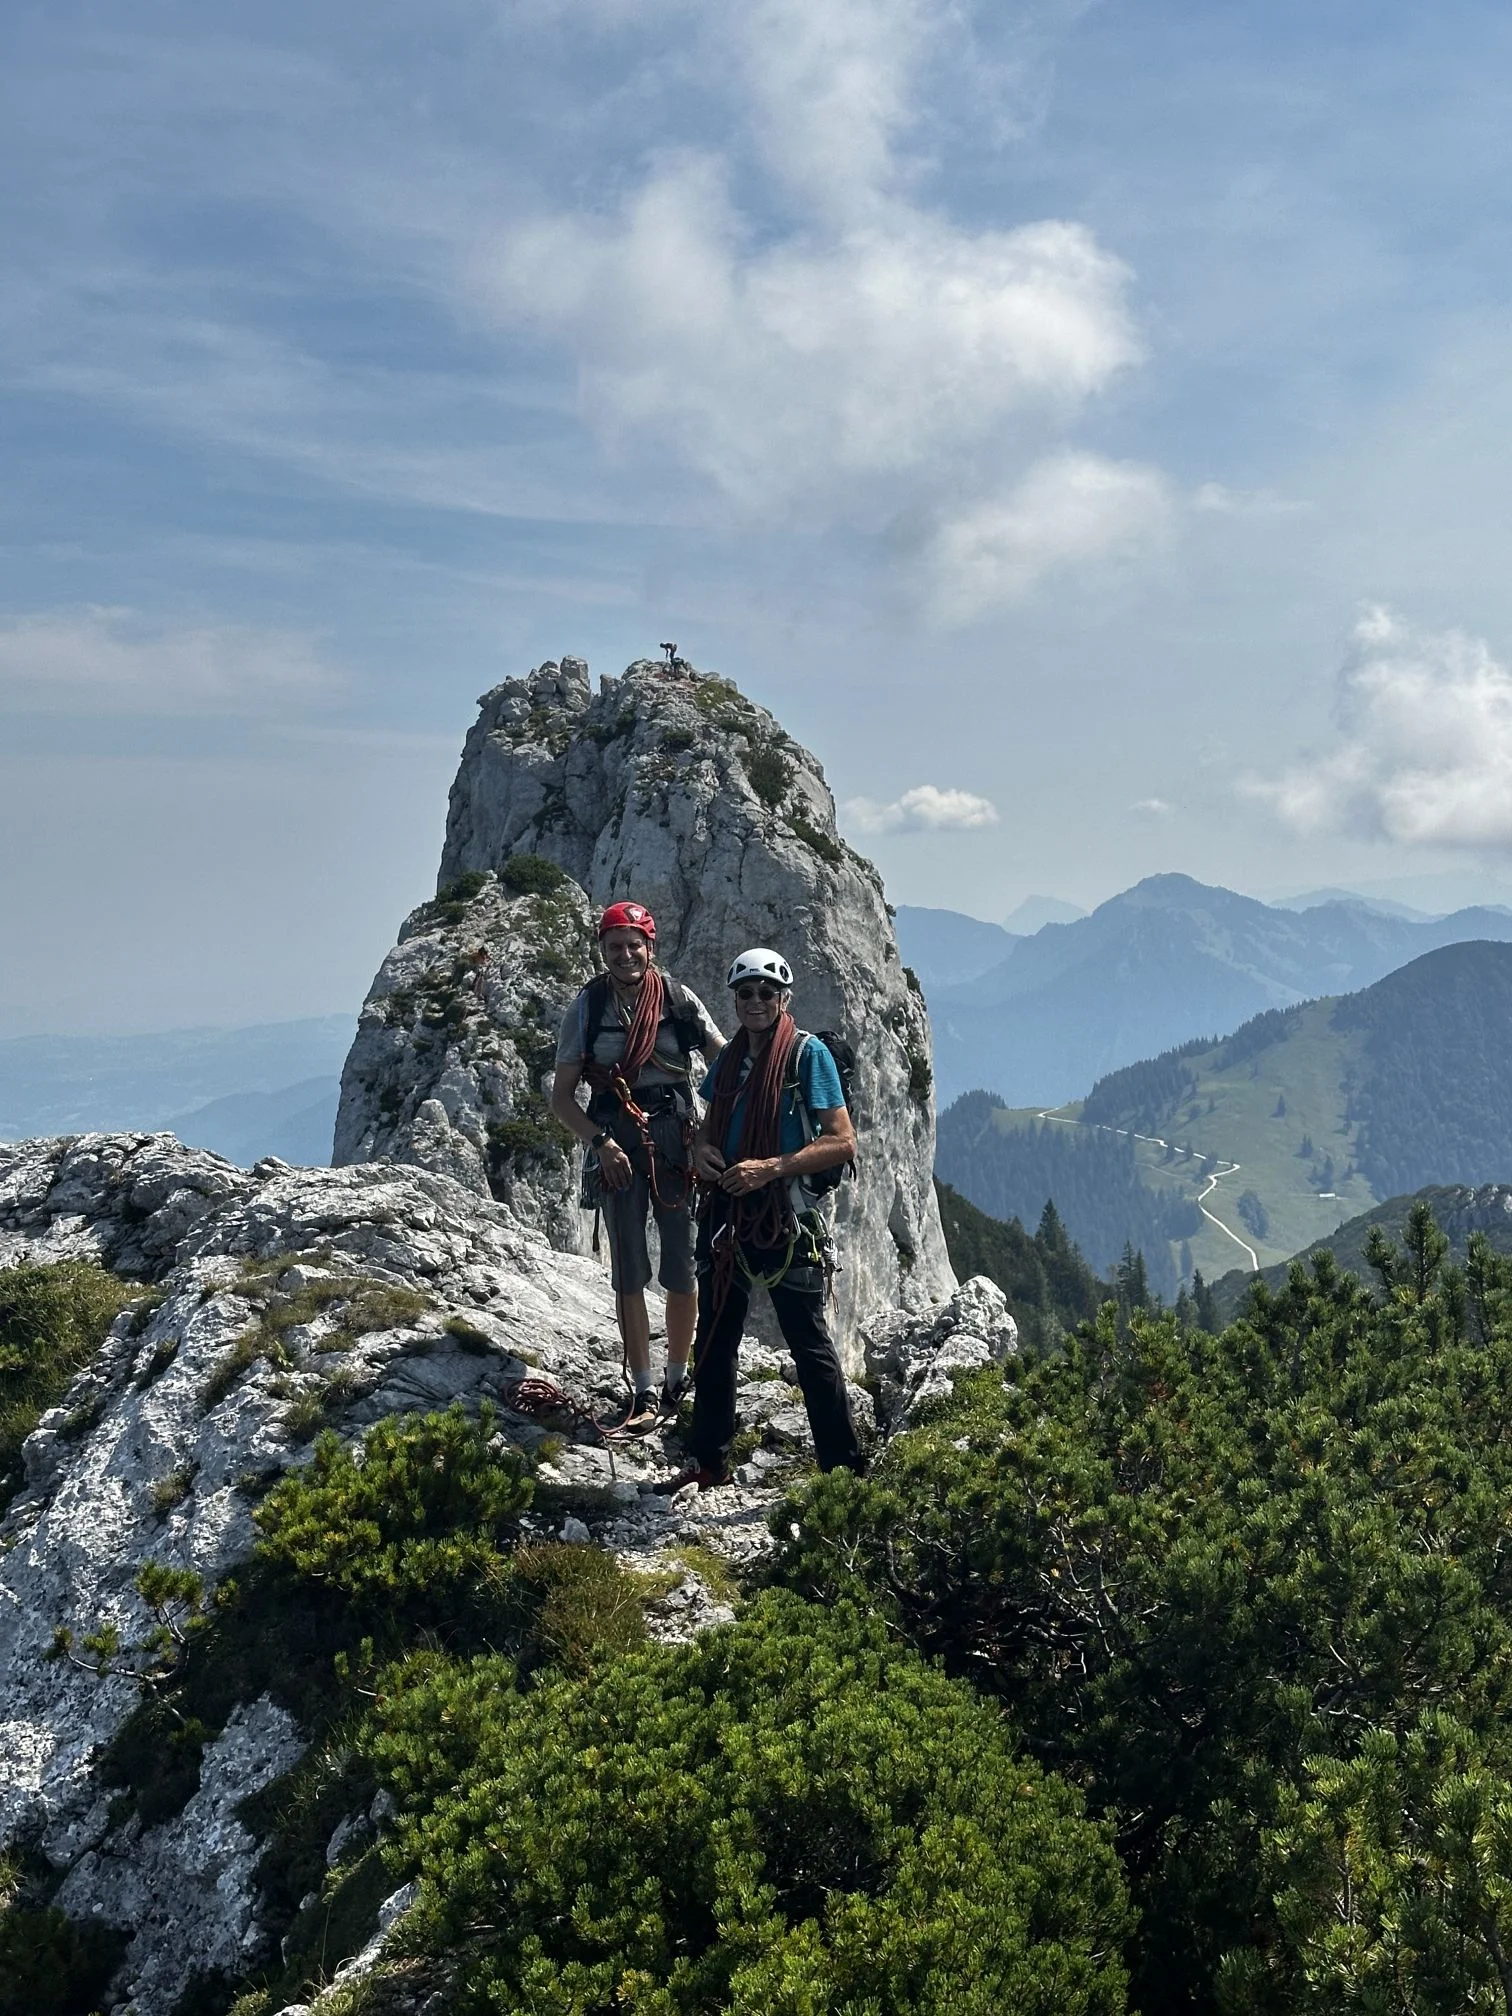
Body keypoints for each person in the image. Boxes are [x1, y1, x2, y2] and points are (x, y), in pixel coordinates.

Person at [655, 947, 863, 1492]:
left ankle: (843, 1475)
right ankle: (708, 1462)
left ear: (782, 998)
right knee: (715, 1340)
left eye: (764, 993)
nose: (754, 1002)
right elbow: (708, 1124)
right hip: (728, 1214)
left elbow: (842, 1141)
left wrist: (771, 1168)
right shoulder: (727, 1061)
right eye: (744, 993)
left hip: (783, 1217)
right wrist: (701, 1150)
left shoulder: (806, 1056)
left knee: (809, 1345)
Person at [550, 901, 725, 1430]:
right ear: (602, 952)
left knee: (681, 1258)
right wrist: (601, 1144)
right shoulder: (587, 1008)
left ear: (651, 947)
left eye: (634, 945)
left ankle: (677, 1375)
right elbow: (561, 1100)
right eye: (614, 947)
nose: (625, 955)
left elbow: (723, 1062)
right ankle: (645, 1387)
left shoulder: (676, 998)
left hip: (676, 1133)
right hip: (616, 1137)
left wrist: (705, 1138)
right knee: (628, 1266)